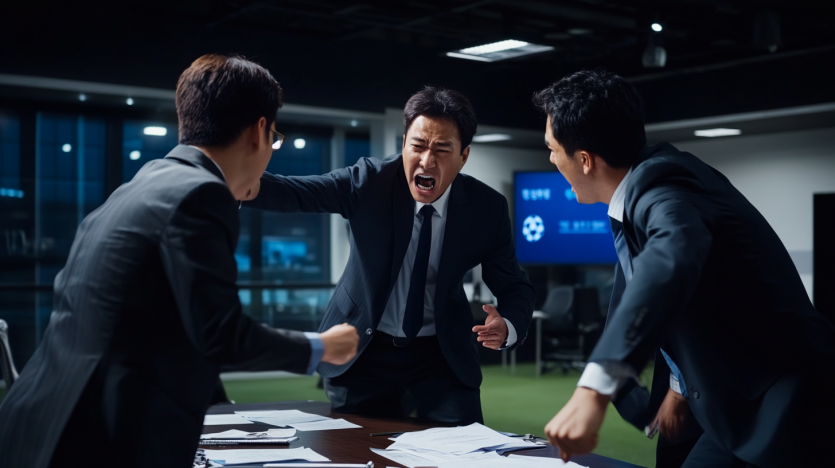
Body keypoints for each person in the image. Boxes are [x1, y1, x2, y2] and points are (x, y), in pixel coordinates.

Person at [0, 54, 359, 468]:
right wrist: (321, 347)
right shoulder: (201, 194)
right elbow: (219, 334)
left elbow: (164, 329)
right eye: (275, 137)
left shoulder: (142, 183)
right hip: (95, 437)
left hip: (43, 422)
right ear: (260, 131)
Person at [535, 70, 835, 467]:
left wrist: (594, 390)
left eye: (552, 149)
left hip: (790, 406)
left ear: (586, 160)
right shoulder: (636, 197)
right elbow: (655, 300)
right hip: (734, 408)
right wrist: (665, 391)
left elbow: (672, 260)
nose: (551, 159)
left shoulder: (665, 187)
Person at [242, 87, 536, 424]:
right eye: (418, 146)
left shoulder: (487, 208)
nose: (427, 160)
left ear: (464, 155)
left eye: (442, 149)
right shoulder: (370, 182)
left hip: (439, 355)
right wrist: (230, 178)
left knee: (467, 451)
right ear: (403, 144)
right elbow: (298, 193)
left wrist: (509, 324)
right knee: (353, 452)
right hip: (365, 349)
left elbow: (514, 285)